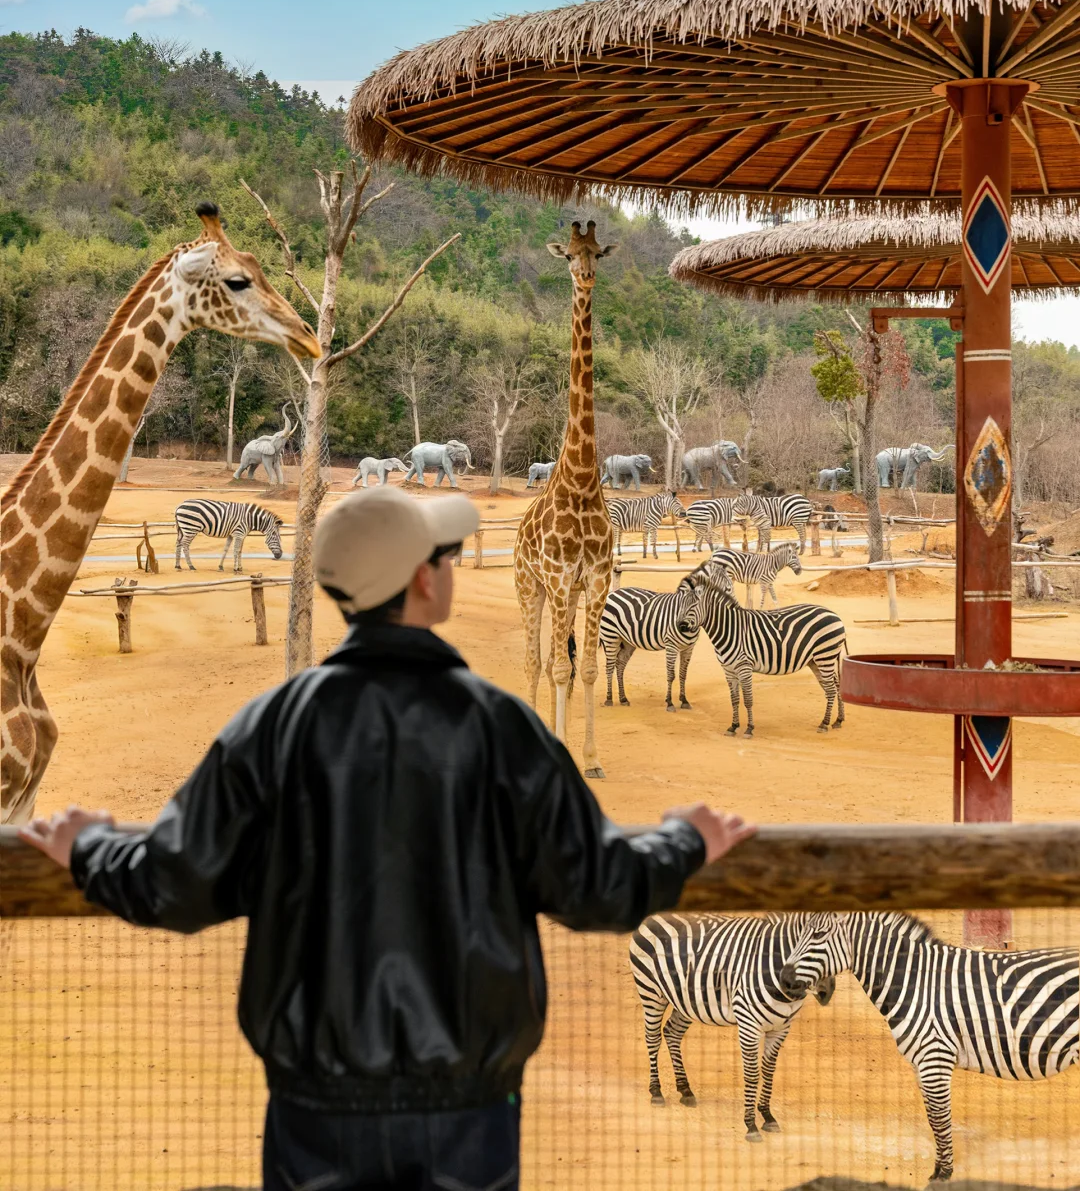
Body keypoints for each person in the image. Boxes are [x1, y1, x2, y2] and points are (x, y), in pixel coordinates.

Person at [22, 485, 754, 1191]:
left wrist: (88, 847)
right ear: (421, 582)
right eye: (443, 555)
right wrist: (684, 841)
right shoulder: (501, 727)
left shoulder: (272, 726)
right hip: (470, 1103)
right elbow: (599, 888)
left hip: (314, 1101)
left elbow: (174, 881)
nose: (451, 565)